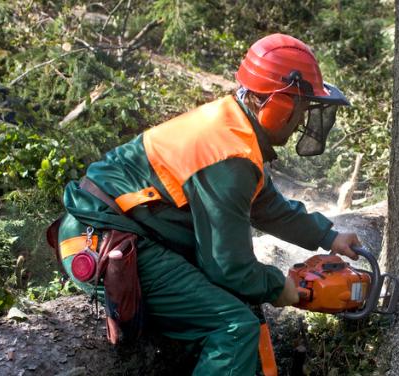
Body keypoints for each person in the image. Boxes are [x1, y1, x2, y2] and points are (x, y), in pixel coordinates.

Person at [55, 33, 362, 376]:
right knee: (235, 329)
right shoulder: (230, 157)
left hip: (122, 230)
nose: (303, 122)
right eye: (302, 108)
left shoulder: (233, 129)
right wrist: (282, 288)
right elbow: (228, 268)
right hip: (108, 241)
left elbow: (267, 206)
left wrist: (329, 236)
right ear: (279, 105)